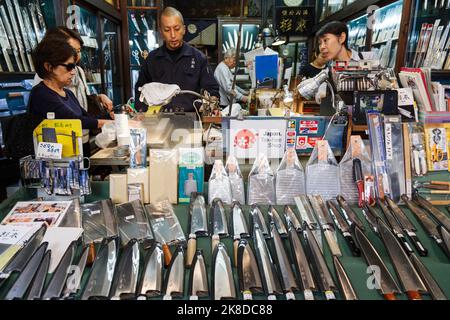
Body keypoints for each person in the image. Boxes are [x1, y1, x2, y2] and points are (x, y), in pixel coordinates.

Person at [29, 38, 114, 155]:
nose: (73, 72)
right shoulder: (41, 94)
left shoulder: (68, 93)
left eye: (74, 66)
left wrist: (111, 116)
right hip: (52, 164)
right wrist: (112, 123)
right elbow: (76, 120)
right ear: (49, 66)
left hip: (73, 154)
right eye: (69, 67)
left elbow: (87, 116)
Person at [134, 7, 219, 112]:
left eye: (177, 29)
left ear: (184, 29)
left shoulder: (198, 58)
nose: (173, 35)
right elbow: (140, 91)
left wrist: (210, 103)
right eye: (167, 30)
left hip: (191, 121)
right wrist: (144, 112)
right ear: (161, 32)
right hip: (159, 122)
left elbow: (212, 90)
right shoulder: (151, 59)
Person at [33, 27, 114, 116]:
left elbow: (82, 101)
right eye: (72, 50)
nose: (77, 55)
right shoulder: (45, 78)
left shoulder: (79, 71)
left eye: (78, 51)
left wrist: (98, 98)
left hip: (84, 127)